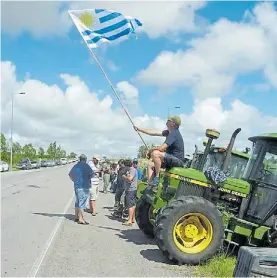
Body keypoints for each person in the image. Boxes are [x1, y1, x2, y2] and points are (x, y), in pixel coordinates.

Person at [134, 116, 184, 187]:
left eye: (168, 120)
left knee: (156, 153)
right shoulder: (168, 132)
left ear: (173, 123)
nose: (167, 121)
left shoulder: (174, 134)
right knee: (150, 165)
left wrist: (151, 150)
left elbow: (162, 148)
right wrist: (140, 129)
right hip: (171, 158)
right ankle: (150, 186)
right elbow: (153, 132)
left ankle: (156, 178)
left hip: (177, 160)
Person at [68, 154, 93, 225]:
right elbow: (91, 175)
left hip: (77, 186)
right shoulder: (87, 166)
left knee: (78, 201)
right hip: (84, 186)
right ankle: (81, 219)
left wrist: (75, 181)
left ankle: (76, 216)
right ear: (85, 159)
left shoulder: (76, 166)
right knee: (82, 203)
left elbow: (70, 174)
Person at [122, 159, 138, 226]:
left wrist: (124, 177)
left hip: (131, 190)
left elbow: (129, 179)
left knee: (130, 205)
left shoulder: (132, 170)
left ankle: (129, 221)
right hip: (131, 189)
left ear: (126, 165)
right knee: (133, 205)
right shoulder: (131, 170)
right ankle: (132, 218)